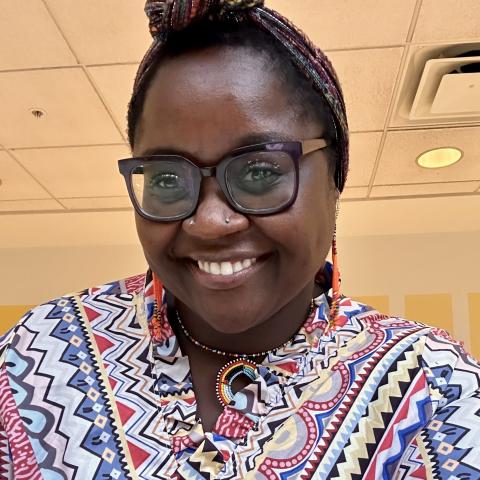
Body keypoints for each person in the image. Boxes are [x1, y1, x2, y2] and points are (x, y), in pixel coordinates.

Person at [0, 1, 479, 478]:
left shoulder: (433, 387)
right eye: (167, 178)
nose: (209, 222)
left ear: (335, 177)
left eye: (258, 170)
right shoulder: (36, 361)